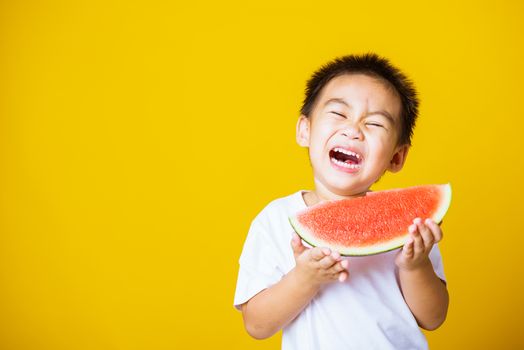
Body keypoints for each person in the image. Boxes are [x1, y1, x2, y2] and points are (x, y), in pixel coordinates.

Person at [233, 53, 449, 350]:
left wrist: (416, 266)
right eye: (338, 114)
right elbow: (256, 325)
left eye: (375, 124)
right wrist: (304, 278)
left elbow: (433, 317)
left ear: (396, 157)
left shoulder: (410, 229)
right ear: (304, 130)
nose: (353, 130)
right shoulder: (275, 219)